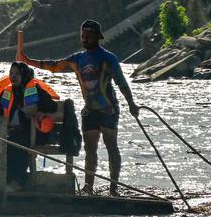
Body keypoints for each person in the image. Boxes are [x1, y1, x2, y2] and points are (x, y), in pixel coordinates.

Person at [19, 18, 139, 195]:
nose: (85, 39)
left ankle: (113, 188)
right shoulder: (77, 59)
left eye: (88, 36)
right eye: (82, 36)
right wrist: (28, 61)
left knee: (111, 146)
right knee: (90, 149)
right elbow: (54, 66)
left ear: (98, 37)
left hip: (108, 110)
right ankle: (88, 187)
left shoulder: (108, 58)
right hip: (90, 110)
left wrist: (131, 104)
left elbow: (122, 83)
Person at [0, 62, 59, 189]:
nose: (13, 76)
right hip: (12, 132)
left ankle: (17, 181)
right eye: (11, 73)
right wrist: (2, 129)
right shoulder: (7, 91)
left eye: (17, 73)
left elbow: (52, 106)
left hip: (34, 133)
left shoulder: (34, 89)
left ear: (24, 75)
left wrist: (36, 108)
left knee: (16, 145)